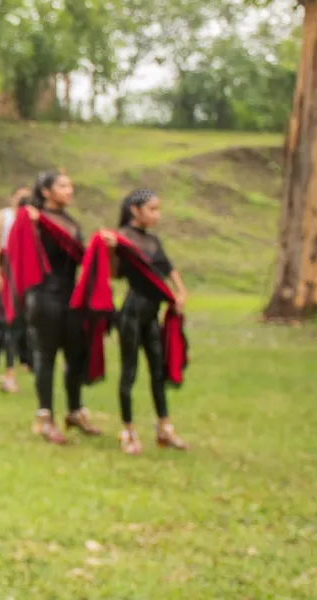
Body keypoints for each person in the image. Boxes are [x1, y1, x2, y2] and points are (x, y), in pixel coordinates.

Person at [9, 171, 103, 445]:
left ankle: (75, 411)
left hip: (70, 296)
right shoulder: (33, 219)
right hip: (44, 295)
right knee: (46, 356)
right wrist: (31, 220)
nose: (69, 190)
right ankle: (45, 416)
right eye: (62, 186)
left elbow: (82, 256)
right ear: (46, 191)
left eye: (70, 185)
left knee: (75, 355)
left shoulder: (71, 222)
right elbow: (18, 247)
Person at [114, 189, 189, 454]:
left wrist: (180, 292)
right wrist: (112, 250)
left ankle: (164, 427)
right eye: (152, 209)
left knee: (158, 370)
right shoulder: (122, 238)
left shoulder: (153, 241)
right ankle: (128, 430)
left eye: (158, 209)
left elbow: (168, 268)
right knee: (129, 372)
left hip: (151, 314)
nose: (157, 215)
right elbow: (114, 272)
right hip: (132, 312)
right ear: (135, 210)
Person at [0, 185, 33, 391]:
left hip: (26, 268)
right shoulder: (3, 216)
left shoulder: (32, 218)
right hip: (7, 267)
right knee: (5, 319)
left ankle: (24, 361)